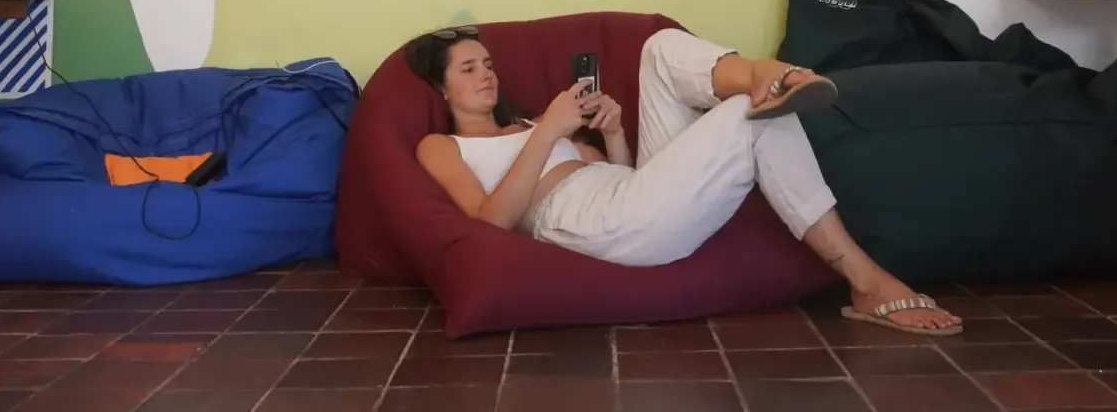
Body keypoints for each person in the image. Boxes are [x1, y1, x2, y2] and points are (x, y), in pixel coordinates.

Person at [408, 25, 963, 336]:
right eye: (468, 68)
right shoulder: (445, 146)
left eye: (487, 64)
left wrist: (617, 129)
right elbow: (491, 224)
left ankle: (759, 72)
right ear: (441, 89)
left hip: (625, 200)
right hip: (586, 221)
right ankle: (865, 281)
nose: (486, 74)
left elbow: (624, 180)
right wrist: (550, 129)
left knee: (659, 48)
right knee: (756, 117)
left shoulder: (530, 124)